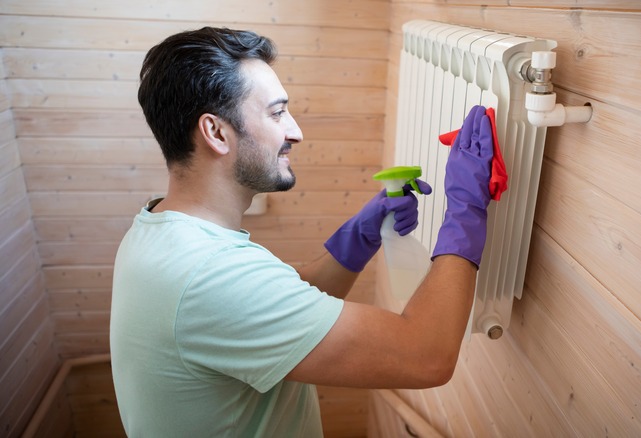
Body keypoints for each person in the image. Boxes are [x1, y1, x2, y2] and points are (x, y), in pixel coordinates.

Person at [110, 26, 494, 437]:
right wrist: (465, 210)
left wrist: (358, 237)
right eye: (276, 113)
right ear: (216, 132)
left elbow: (272, 308)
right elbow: (426, 355)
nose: (295, 131)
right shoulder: (210, 275)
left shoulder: (159, 230)